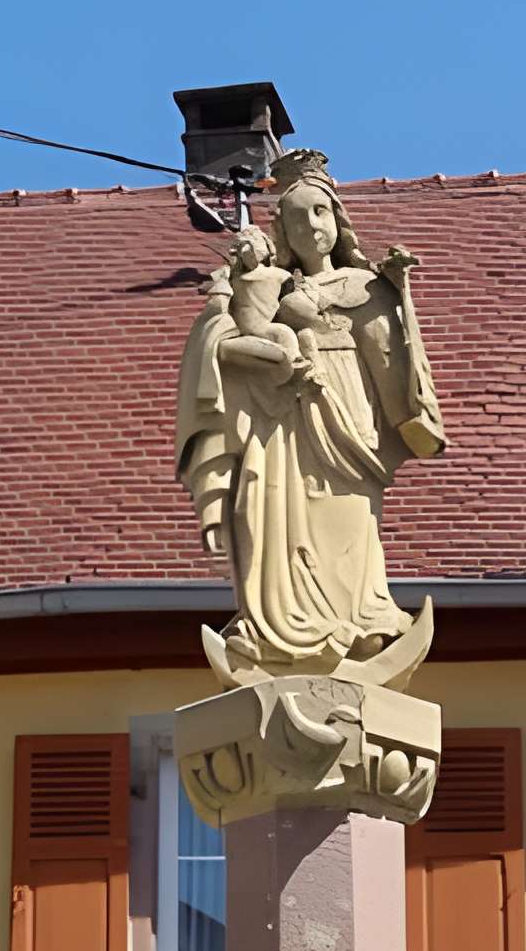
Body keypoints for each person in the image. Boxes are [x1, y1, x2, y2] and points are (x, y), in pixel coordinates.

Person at [175, 150, 446, 685]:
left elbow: (392, 363)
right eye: (297, 218)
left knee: (348, 519)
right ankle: (275, 628)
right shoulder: (268, 286)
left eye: (319, 213)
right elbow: (225, 336)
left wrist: (401, 295)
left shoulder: (365, 286)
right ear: (283, 229)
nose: (310, 227)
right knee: (271, 511)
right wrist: (228, 315)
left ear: (337, 219)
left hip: (346, 414)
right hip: (280, 417)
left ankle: (362, 619)